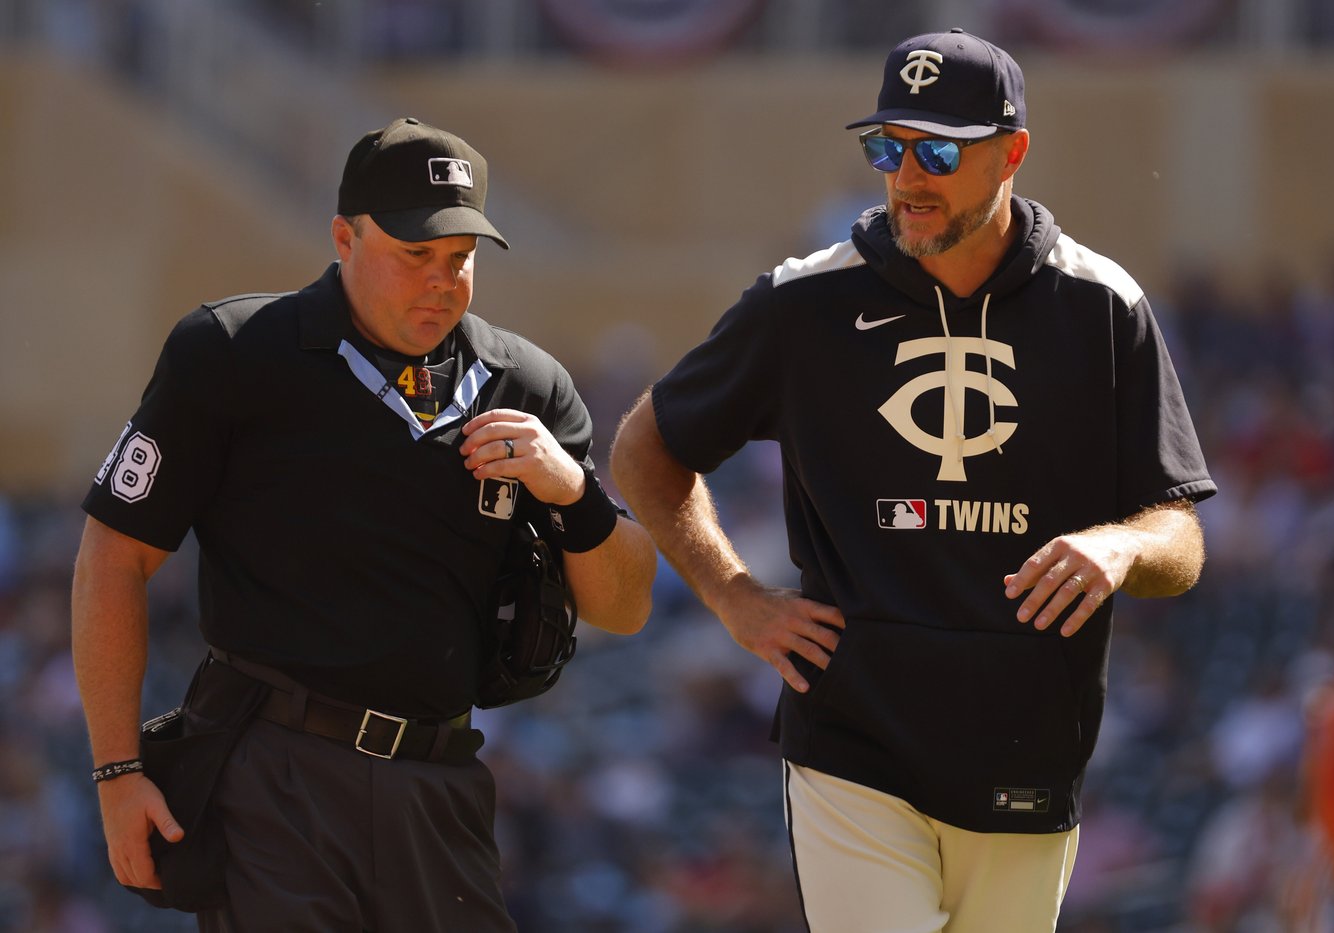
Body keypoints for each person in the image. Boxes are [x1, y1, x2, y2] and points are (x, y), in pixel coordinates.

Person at [611, 29, 1215, 932]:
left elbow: (1182, 535)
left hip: (1030, 746)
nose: (907, 176)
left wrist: (1122, 543)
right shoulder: (802, 301)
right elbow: (643, 451)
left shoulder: (1102, 306)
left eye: (938, 150)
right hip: (851, 743)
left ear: (1011, 153)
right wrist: (735, 594)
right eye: (887, 148)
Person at [72, 116, 656, 932]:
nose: (442, 280)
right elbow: (113, 556)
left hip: (441, 782)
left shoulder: (524, 385)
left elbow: (624, 607)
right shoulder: (235, 351)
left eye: (460, 258)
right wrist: (116, 770)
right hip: (276, 772)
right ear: (344, 236)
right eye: (414, 254)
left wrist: (572, 492)